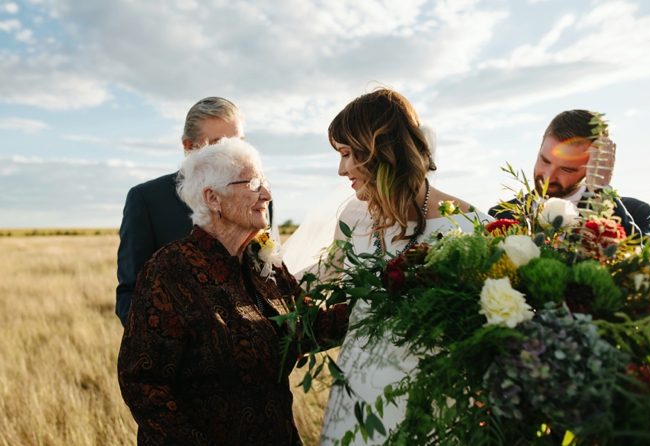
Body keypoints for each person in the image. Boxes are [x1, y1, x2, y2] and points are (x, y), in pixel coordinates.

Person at [117, 138, 348, 445]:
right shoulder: (170, 271)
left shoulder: (265, 264)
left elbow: (310, 328)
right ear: (213, 198)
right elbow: (142, 382)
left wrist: (387, 293)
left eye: (265, 182)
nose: (267, 194)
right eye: (252, 184)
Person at [314, 88, 486, 445]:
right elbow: (322, 281)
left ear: (381, 151)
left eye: (347, 153)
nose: (341, 169)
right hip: (356, 396)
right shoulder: (353, 216)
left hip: (432, 402)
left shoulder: (469, 227)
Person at [115, 97, 274, 326]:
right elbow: (131, 291)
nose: (233, 152)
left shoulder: (260, 197)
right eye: (219, 143)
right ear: (189, 147)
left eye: (238, 142)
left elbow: (270, 281)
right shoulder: (147, 199)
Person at [488, 109, 650, 242]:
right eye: (545, 160)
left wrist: (600, 191)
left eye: (566, 169)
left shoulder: (637, 213)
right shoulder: (501, 215)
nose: (548, 177)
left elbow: (641, 269)